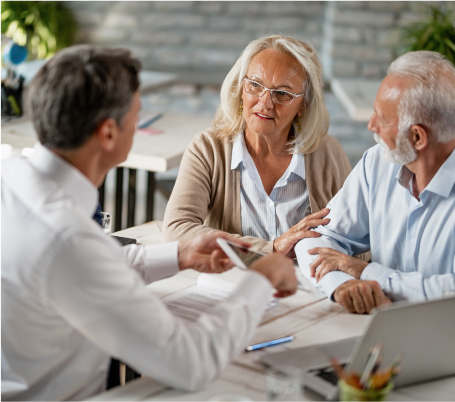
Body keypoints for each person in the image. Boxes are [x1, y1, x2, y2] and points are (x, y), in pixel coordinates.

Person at [1, 45, 298, 401]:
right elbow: (189, 363)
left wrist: (179, 254)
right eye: (137, 115)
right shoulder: (68, 239)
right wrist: (259, 281)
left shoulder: (12, 177)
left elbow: (86, 269)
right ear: (109, 134)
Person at [295, 51, 455, 314]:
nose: (371, 125)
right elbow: (316, 237)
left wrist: (369, 272)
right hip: (378, 330)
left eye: (382, 118)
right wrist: (342, 285)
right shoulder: (376, 163)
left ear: (417, 137)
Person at [162, 35, 357, 260]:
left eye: (282, 93)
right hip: (232, 285)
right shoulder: (208, 149)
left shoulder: (328, 153)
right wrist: (270, 249)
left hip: (307, 289)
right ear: (240, 89)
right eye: (255, 85)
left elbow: (361, 243)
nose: (265, 102)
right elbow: (176, 230)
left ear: (303, 104)